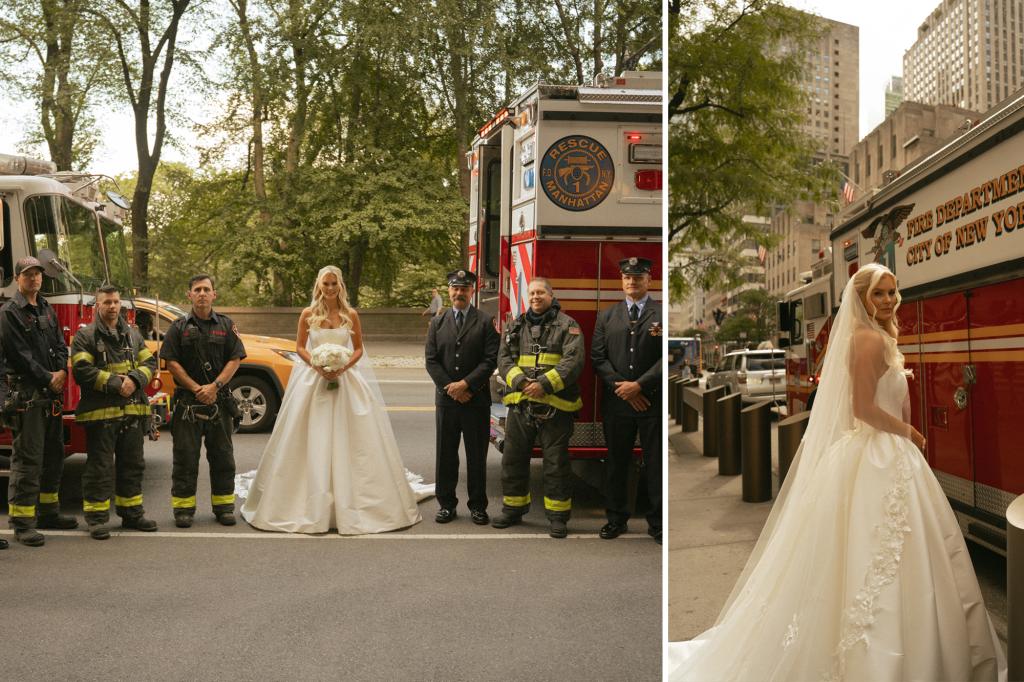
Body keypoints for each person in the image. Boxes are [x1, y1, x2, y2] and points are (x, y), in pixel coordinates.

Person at [669, 262, 1006, 681]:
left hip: (883, 454)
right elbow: (862, 409)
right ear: (862, 297)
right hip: (881, 453)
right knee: (880, 556)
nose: (887, 300)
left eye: (892, 292)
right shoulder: (868, 341)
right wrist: (910, 432)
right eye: (879, 293)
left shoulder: (876, 336)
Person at [239, 265, 422, 534]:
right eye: (325, 284)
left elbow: (358, 348)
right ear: (319, 285)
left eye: (334, 284)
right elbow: (300, 346)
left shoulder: (351, 314)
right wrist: (317, 365)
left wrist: (343, 366)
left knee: (356, 439)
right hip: (314, 380)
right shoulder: (308, 314)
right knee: (309, 435)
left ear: (340, 286)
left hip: (346, 379)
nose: (330, 288)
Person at [491, 277, 584, 538]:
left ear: (551, 296)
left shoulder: (568, 326)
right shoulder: (515, 325)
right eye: (532, 293)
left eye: (541, 292)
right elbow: (504, 358)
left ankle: (557, 517)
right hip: (521, 405)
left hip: (556, 407)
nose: (535, 297)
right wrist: (521, 383)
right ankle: (513, 509)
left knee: (556, 465)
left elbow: (573, 362)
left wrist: (543, 384)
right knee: (513, 460)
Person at [70, 284, 159, 539]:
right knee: (100, 468)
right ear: (97, 305)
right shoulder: (85, 337)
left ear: (121, 304)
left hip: (132, 413)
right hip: (101, 416)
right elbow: (82, 371)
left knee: (133, 466)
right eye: (107, 302)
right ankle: (97, 519)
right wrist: (117, 384)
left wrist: (133, 379)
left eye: (116, 302)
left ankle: (132, 514)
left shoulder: (133, 334)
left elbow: (149, 363)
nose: (112, 306)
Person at [1, 256, 76, 546]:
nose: (34, 279)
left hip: (50, 395)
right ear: (18, 279)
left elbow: (60, 344)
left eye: (37, 274)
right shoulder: (10, 312)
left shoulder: (47, 308)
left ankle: (48, 512)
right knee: (28, 459)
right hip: (29, 395)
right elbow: (20, 354)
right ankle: (22, 523)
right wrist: (48, 377)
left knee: (54, 455)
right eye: (28, 274)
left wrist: (60, 371)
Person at [161, 274, 246, 528]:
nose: (201, 293)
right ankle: (184, 510)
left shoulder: (227, 325)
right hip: (189, 404)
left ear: (214, 294)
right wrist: (197, 388)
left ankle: (224, 508)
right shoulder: (178, 327)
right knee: (185, 459)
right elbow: (171, 362)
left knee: (223, 458)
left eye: (205, 289)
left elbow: (235, 358)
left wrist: (215, 386)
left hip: (219, 402)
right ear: (189, 295)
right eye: (196, 289)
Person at [591, 256, 662, 544]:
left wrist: (640, 386)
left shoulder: (662, 313)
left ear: (649, 280)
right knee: (617, 464)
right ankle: (616, 519)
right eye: (628, 277)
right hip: (619, 404)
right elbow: (598, 358)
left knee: (655, 466)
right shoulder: (607, 316)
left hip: (652, 401)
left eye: (638, 277)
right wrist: (625, 389)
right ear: (622, 281)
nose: (632, 282)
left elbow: (670, 357)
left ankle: (657, 524)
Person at [424, 269, 499, 524]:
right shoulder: (437, 322)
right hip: (447, 401)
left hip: (475, 401)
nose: (459, 293)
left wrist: (466, 385)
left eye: (464, 289)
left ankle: (478, 505)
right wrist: (451, 388)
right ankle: (446, 504)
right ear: (449, 290)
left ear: (472, 291)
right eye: (455, 288)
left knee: (476, 456)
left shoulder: (485, 321)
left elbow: (490, 360)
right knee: (445, 455)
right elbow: (431, 361)